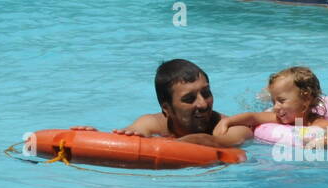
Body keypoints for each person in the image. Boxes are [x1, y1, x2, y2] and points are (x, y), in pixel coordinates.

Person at [217, 62, 328, 149]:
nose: (275, 108)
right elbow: (253, 116)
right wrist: (227, 122)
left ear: (305, 100)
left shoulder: (320, 124)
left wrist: (321, 142)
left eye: (281, 101)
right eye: (273, 102)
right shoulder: (279, 118)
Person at [70, 59, 241, 145]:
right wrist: (95, 138)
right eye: (189, 99)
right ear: (167, 109)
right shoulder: (151, 123)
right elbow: (130, 135)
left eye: (206, 93)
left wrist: (174, 144)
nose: (203, 104)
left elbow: (216, 141)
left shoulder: (231, 125)